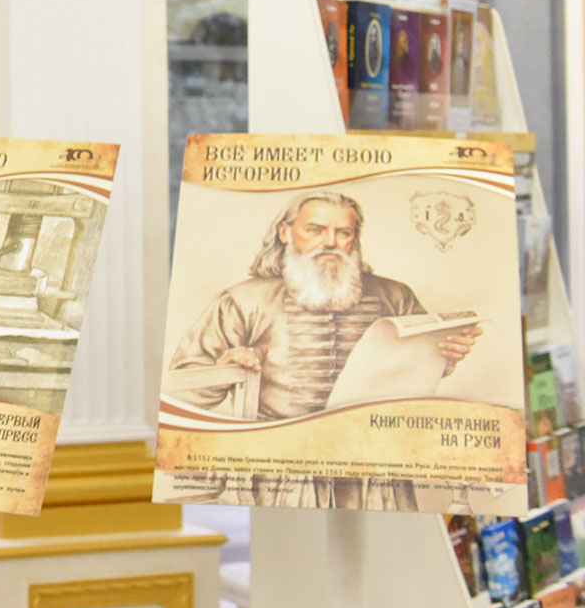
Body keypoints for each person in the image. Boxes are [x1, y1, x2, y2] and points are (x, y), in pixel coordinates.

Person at [167, 191, 481, 509]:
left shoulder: (395, 296)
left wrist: (446, 354)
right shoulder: (243, 301)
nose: (330, 242)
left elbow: (421, 366)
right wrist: (225, 368)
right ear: (286, 232)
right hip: (279, 475)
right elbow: (183, 388)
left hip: (372, 475)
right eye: (316, 230)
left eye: (343, 232)